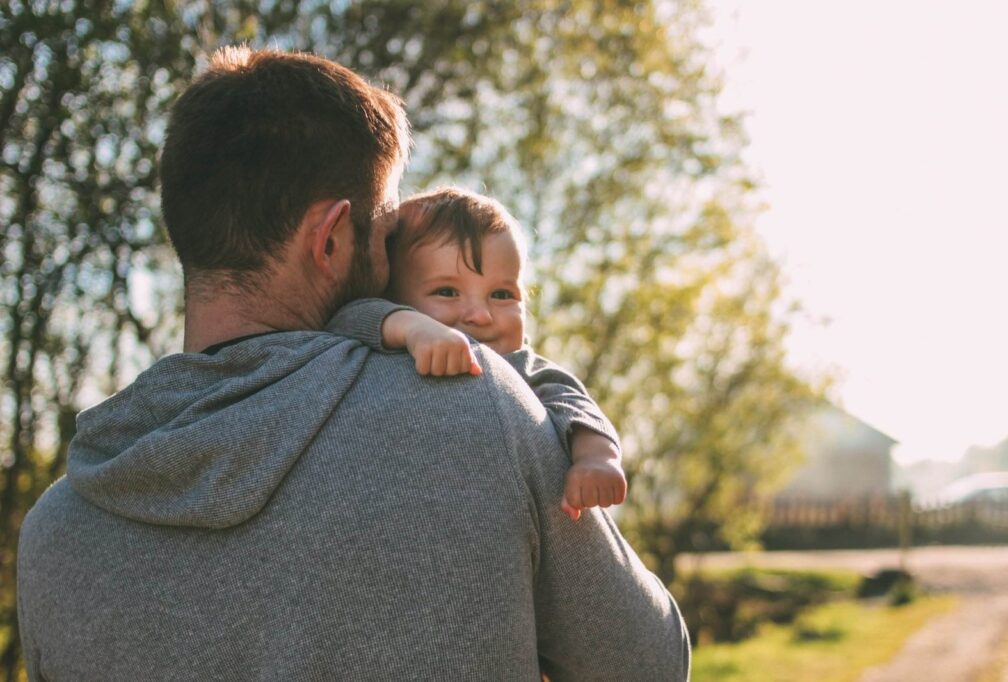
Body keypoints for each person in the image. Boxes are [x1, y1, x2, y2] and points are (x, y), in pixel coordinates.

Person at [16, 46, 690, 681]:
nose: (394, 253)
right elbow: (647, 663)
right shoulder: (476, 407)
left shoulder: (55, 532)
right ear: (332, 236)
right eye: (389, 230)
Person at [332, 187, 628, 521]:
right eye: (447, 292)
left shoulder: (520, 367)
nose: (480, 315)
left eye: (502, 294)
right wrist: (410, 327)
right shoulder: (395, 338)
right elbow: (346, 319)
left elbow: (574, 405)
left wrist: (596, 460)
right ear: (394, 296)